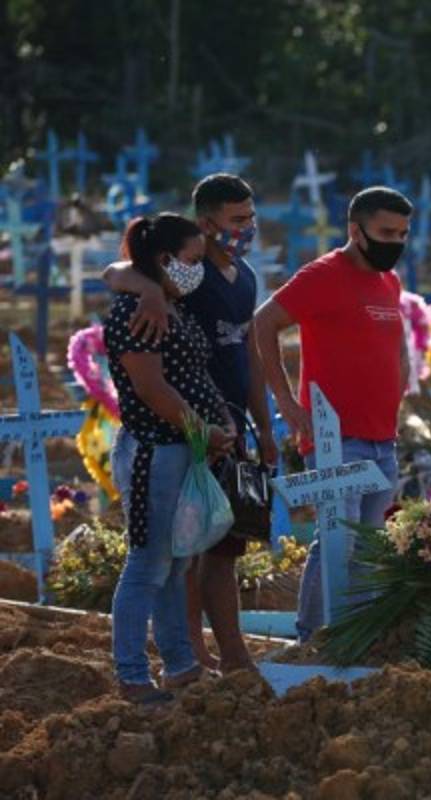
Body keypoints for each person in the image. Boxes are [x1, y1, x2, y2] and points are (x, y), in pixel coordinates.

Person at [103, 174, 276, 673]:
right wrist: (149, 290)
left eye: (251, 218)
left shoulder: (240, 277)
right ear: (207, 223)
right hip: (174, 437)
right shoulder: (169, 287)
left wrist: (259, 425)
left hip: (220, 433)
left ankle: (203, 659)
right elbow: (118, 271)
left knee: (210, 547)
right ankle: (183, 658)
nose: (248, 228)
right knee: (167, 558)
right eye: (237, 220)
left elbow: (248, 352)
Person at [254, 186, 411, 641]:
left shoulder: (390, 283)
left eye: (402, 234)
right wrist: (285, 400)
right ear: (355, 230)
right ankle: (311, 640)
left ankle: (355, 639)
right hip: (334, 438)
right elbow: (264, 323)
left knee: (369, 547)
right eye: (386, 232)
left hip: (382, 437)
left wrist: (395, 395)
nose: (395, 243)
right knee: (335, 543)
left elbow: (396, 350)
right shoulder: (322, 275)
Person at [103, 213, 237, 703]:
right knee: (147, 564)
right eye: (192, 260)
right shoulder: (135, 312)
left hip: (185, 448)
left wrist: (220, 420)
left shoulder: (169, 304)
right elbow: (151, 387)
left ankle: (180, 664)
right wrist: (203, 431)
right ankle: (133, 674)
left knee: (175, 563)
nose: (197, 269)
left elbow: (194, 374)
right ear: (164, 260)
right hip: (155, 450)